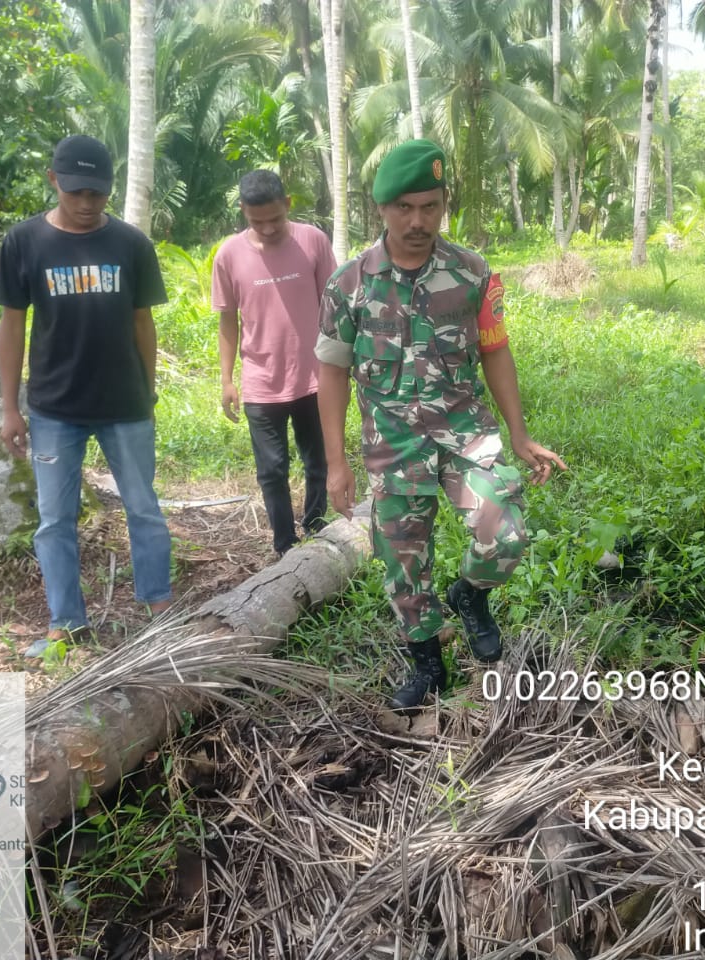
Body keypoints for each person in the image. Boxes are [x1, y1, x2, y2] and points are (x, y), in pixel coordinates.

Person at [315, 139, 567, 710]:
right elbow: (330, 372)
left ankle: (470, 594)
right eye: (404, 207)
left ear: (444, 204)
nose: (418, 221)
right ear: (380, 208)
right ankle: (427, 663)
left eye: (430, 206)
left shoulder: (471, 272)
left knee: (505, 533)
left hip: (465, 430)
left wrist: (520, 434)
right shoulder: (348, 285)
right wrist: (335, 463)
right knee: (404, 561)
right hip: (392, 443)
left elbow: (496, 350)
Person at [0, 134, 173, 656]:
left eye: (97, 193)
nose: (87, 204)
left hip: (125, 406)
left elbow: (143, 323)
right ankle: (66, 622)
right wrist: (10, 407)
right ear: (54, 181)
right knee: (55, 519)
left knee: (143, 507)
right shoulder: (24, 242)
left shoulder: (131, 244)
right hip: (54, 409)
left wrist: (149, 389)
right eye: (77, 193)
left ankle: (158, 605)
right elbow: (11, 327)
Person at [212, 170, 336, 556]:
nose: (267, 229)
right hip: (261, 382)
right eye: (256, 221)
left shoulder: (312, 242)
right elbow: (227, 320)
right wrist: (227, 380)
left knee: (318, 460)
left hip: (314, 377)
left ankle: (316, 529)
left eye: (275, 219)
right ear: (243, 212)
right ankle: (285, 544)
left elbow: (333, 310)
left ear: (288, 205)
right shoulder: (229, 255)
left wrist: (343, 367)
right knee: (271, 471)